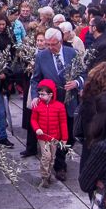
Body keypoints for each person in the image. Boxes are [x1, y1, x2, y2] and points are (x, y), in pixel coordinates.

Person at [30, 28, 85, 182]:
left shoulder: (72, 53)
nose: (50, 47)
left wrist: (76, 83)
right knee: (56, 133)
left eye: (53, 44)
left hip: (70, 101)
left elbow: (84, 74)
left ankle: (60, 155)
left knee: (71, 134)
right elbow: (35, 79)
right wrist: (35, 96)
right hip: (51, 102)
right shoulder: (42, 56)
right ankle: (60, 166)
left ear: (60, 42)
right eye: (48, 44)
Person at [31, 79, 68, 187]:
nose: (40, 96)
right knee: (46, 156)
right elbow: (33, 119)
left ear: (51, 94)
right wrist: (36, 128)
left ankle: (48, 173)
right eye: (39, 94)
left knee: (52, 158)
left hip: (54, 137)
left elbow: (63, 123)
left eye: (43, 94)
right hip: (42, 137)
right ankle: (44, 176)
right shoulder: (37, 105)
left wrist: (64, 138)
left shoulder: (59, 106)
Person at [19, 29, 48, 158]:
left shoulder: (48, 54)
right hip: (33, 88)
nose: (40, 43)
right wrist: (29, 68)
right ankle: (31, 147)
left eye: (42, 40)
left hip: (46, 88)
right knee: (32, 116)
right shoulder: (32, 53)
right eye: (38, 40)